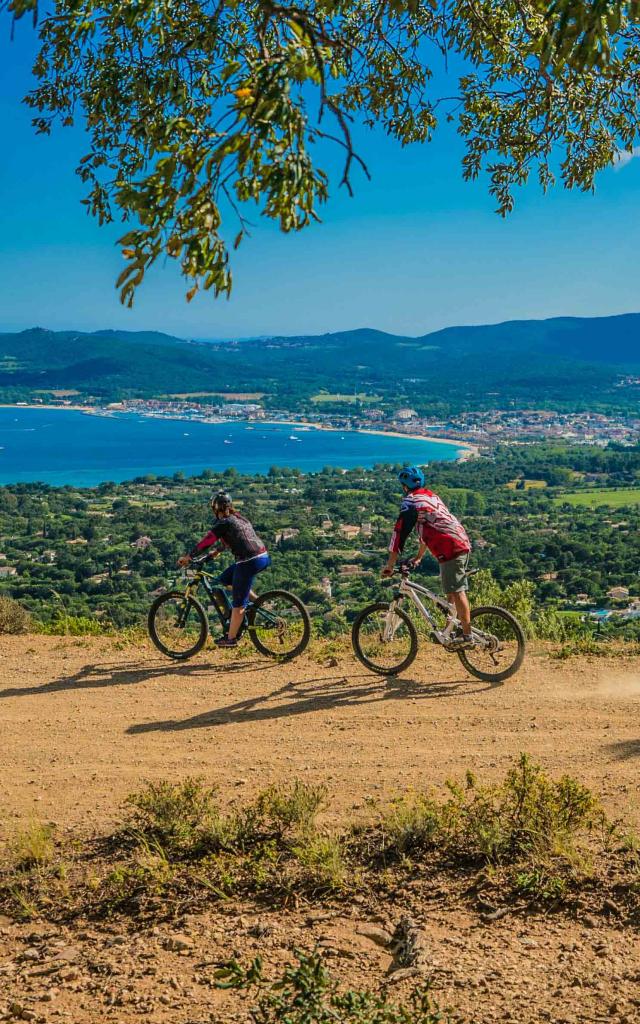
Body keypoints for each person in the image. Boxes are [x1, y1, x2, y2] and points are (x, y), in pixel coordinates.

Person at [382, 466, 473, 648]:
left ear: (404, 486)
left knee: (457, 590)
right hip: (459, 543)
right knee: (450, 591)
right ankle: (449, 631)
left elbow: (399, 534)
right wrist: (419, 557)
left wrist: (390, 565)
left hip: (450, 549)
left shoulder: (411, 502)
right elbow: (429, 529)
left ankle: (467, 635)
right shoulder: (431, 497)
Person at [178, 491, 271, 647]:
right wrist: (216, 553)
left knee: (238, 603)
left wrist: (189, 556)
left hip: (248, 561)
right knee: (225, 580)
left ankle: (231, 638)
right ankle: (257, 602)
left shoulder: (223, 523)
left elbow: (207, 541)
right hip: (262, 557)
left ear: (215, 508)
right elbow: (232, 539)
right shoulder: (239, 518)